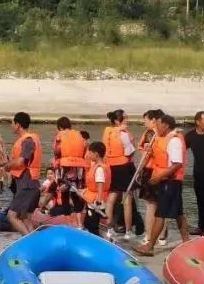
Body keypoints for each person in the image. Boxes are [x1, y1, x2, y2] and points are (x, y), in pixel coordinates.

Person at [134, 114, 191, 256]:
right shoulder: (165, 139)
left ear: (166, 125)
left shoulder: (174, 141)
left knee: (160, 214)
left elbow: (177, 164)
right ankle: (187, 242)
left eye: (158, 124)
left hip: (170, 181)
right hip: (168, 180)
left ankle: (150, 246)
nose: (156, 127)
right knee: (178, 213)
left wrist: (159, 177)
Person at [102, 109, 145, 241]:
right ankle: (128, 231)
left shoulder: (107, 132)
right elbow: (129, 152)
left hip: (111, 166)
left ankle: (109, 229)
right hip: (124, 167)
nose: (127, 120)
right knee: (127, 199)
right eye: (125, 118)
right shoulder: (123, 134)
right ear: (117, 121)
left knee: (112, 197)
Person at [5, 112, 42, 236]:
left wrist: (7, 165)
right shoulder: (27, 140)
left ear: (18, 124)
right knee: (25, 217)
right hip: (28, 183)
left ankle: (28, 242)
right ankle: (35, 242)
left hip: (28, 182)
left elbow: (21, 162)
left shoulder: (28, 141)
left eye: (12, 123)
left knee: (12, 216)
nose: (11, 126)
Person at [79, 141, 111, 236]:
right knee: (88, 223)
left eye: (90, 152)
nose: (88, 154)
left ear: (96, 154)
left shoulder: (99, 169)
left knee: (91, 224)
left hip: (96, 201)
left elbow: (100, 184)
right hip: (93, 198)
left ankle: (97, 239)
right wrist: (84, 190)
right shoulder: (96, 166)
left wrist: (98, 201)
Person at [53, 116, 87, 190]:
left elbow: (57, 151)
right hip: (79, 166)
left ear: (60, 127)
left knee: (64, 193)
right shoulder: (79, 134)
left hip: (65, 166)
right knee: (76, 191)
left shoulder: (60, 135)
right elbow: (85, 149)